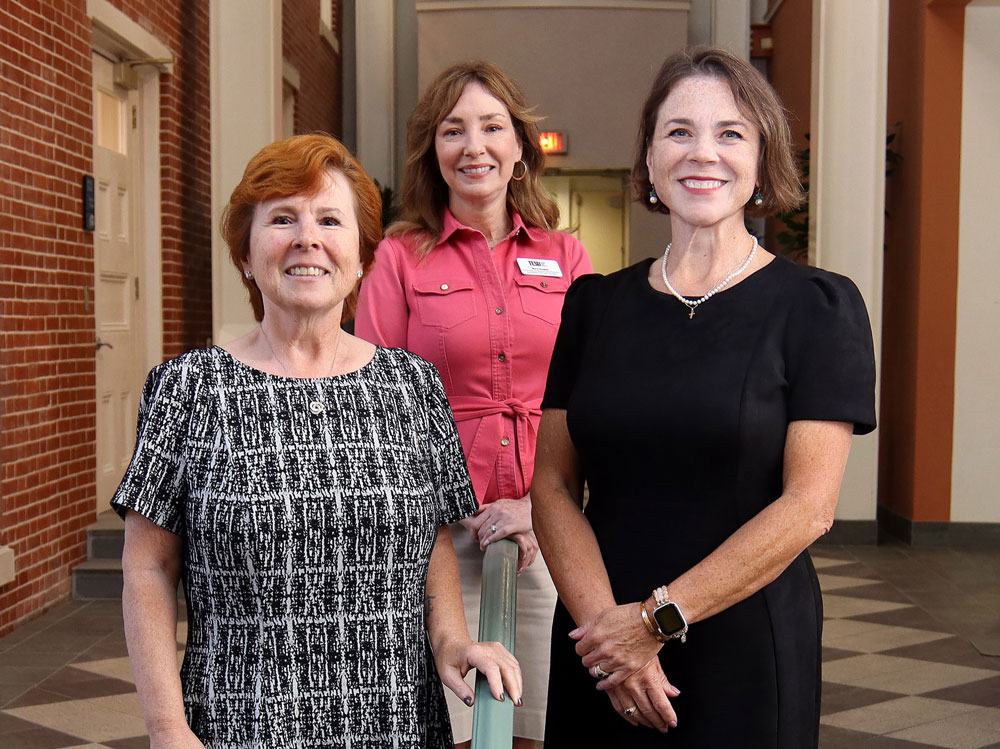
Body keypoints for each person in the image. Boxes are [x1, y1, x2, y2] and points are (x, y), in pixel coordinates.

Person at [112, 134, 522, 749]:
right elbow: (148, 567)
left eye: (330, 220)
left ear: (359, 257)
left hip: (397, 723)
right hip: (236, 725)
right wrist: (167, 726)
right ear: (246, 254)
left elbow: (431, 542)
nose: (308, 238)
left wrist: (452, 639)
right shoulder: (186, 390)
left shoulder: (411, 384)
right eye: (282, 219)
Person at [531, 47, 876, 748]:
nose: (703, 153)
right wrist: (609, 637)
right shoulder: (594, 306)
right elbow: (553, 484)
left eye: (731, 133)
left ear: (759, 161)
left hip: (743, 636)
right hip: (599, 635)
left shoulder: (816, 306)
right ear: (650, 160)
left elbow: (809, 508)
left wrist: (652, 622)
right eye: (679, 131)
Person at [355, 61, 593, 747]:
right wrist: (458, 505)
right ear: (433, 148)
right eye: (453, 130)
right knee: (453, 728)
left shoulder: (567, 257)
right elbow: (380, 408)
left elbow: (590, 402)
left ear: (521, 145)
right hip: (436, 537)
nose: (474, 146)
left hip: (545, 534)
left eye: (492, 127)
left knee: (536, 723)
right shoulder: (400, 259)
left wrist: (536, 507)